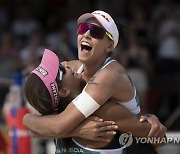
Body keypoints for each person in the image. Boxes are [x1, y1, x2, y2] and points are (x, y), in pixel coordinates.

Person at [23, 10, 166, 153]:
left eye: (96, 32)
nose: (86, 34)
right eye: (83, 28)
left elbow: (53, 126)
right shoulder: (73, 70)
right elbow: (33, 125)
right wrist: (78, 130)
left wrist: (68, 129)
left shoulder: (109, 76)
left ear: (109, 46)